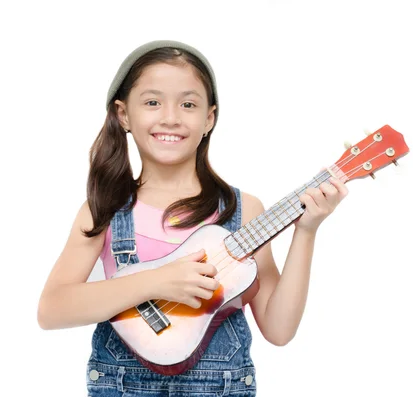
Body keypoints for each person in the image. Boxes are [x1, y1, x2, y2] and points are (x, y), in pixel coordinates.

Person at [37, 39, 348, 396]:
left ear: (209, 118)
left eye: (188, 104)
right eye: (153, 102)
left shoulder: (243, 209)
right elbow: (52, 309)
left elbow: (279, 330)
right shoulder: (105, 208)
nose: (171, 117)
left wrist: (306, 231)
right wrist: (157, 282)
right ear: (124, 115)